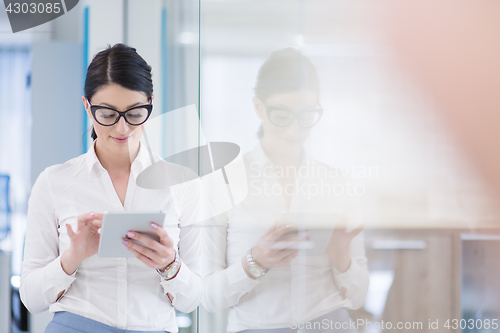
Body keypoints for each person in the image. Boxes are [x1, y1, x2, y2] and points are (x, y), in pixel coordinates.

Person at [20, 44, 202, 333]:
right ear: (86, 106)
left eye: (135, 113)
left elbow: (192, 300)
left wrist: (170, 264)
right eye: (107, 114)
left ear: (151, 104)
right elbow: (31, 298)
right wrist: (72, 258)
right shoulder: (54, 182)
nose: (122, 128)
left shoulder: (183, 182)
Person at [202, 48, 370, 332]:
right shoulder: (223, 185)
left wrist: (341, 256)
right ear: (259, 107)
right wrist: (255, 262)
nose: (295, 129)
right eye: (282, 114)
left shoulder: (336, 182)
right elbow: (207, 297)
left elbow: (358, 298)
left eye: (307, 115)